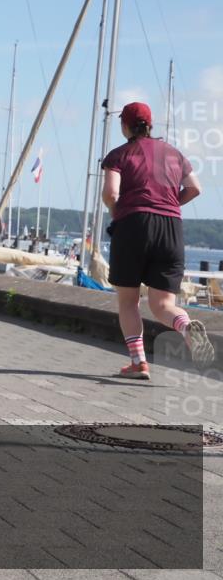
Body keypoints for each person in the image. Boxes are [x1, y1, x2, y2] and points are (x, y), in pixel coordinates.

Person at [101, 101, 214, 380]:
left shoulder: (119, 154)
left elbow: (110, 194)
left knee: (128, 301)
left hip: (133, 224)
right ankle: (186, 327)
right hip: (171, 227)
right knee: (163, 304)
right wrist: (169, 204)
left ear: (125, 126)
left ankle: (138, 362)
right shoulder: (175, 154)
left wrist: (120, 214)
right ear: (150, 125)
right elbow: (195, 188)